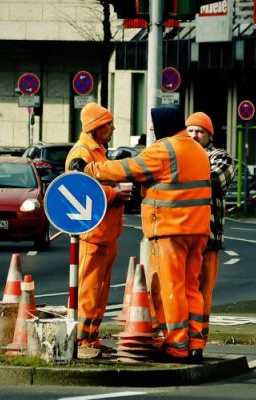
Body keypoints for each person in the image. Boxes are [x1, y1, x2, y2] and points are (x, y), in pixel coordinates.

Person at [70, 106, 211, 363]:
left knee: (171, 288)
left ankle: (178, 345)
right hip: (198, 230)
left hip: (170, 229)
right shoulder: (197, 150)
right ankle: (196, 343)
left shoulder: (165, 149)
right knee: (192, 287)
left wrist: (91, 170)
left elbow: (130, 169)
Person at [65, 102, 132, 359]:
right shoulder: (82, 153)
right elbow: (78, 187)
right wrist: (114, 193)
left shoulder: (97, 152)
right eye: (108, 124)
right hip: (93, 233)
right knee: (89, 289)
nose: (113, 128)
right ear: (95, 129)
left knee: (99, 290)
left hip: (105, 232)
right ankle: (83, 340)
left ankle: (91, 338)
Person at [185, 112, 235, 357]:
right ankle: (181, 338)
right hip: (182, 235)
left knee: (203, 292)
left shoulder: (221, 157)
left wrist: (181, 175)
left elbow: (213, 181)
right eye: (190, 131)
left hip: (208, 237)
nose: (194, 136)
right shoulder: (182, 155)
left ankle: (198, 341)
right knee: (182, 290)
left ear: (209, 135)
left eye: (199, 132)